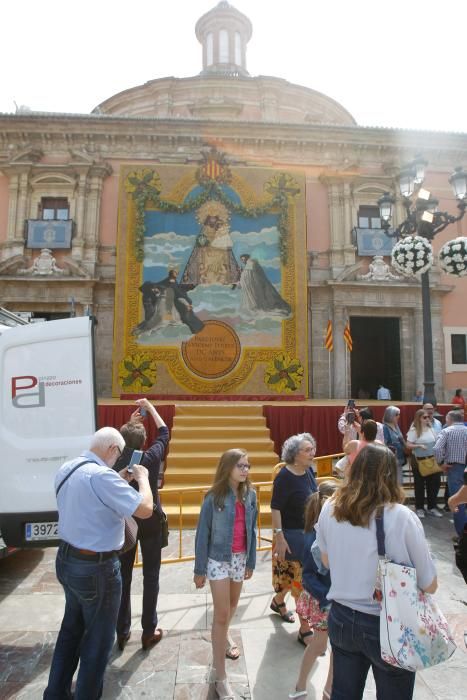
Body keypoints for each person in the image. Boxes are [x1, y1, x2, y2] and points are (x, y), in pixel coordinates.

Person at [315, 444, 437, 700]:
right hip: (385, 621)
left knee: (344, 694)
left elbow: (325, 561)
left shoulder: (330, 507)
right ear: (390, 475)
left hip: (342, 616)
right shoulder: (401, 517)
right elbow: (429, 584)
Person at [43, 427, 153, 700]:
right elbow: (145, 509)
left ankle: (55, 694)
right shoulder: (102, 476)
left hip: (67, 561)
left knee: (71, 630)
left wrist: (118, 478)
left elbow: (92, 496)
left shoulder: (69, 468)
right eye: (117, 455)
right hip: (97, 569)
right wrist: (143, 479)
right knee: (98, 642)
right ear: (113, 450)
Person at [193, 449, 257, 700]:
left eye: (247, 466)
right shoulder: (214, 498)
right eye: (240, 465)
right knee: (221, 614)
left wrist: (251, 561)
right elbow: (202, 535)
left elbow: (251, 531)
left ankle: (224, 636)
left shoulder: (250, 496)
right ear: (227, 467)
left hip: (240, 559)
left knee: (231, 607)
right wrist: (199, 570)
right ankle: (221, 677)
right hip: (218, 559)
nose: (245, 470)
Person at [115, 399, 169, 651]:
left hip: (125, 522)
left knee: (123, 576)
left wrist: (130, 423)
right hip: (150, 522)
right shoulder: (152, 456)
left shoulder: (115, 462)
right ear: (144, 440)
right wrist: (151, 408)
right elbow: (164, 431)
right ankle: (149, 630)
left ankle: (122, 630)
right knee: (151, 576)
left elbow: (120, 442)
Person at [289, 481, 337, 700]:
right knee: (319, 645)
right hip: (323, 599)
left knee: (338, 650)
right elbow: (308, 575)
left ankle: (329, 691)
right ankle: (300, 684)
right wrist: (327, 597)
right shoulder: (311, 536)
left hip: (338, 599)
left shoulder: (338, 532)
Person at [270, 433, 318, 642]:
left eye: (312, 449)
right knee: (301, 584)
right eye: (307, 450)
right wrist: (279, 537)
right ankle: (304, 629)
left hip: (308, 534)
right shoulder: (284, 477)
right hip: (290, 537)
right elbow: (275, 508)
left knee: (293, 579)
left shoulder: (307, 471)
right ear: (294, 454)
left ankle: (278, 601)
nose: (312, 454)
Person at [434, 410, 467, 537]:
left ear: (450, 419)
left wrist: (440, 462)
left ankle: (462, 535)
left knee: (457, 501)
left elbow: (437, 448)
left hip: (455, 468)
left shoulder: (447, 431)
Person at [407, 408, 443, 519]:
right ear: (419, 418)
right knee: (419, 485)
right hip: (419, 461)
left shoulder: (431, 428)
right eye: (424, 417)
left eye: (428, 417)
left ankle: (432, 507)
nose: (427, 419)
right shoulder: (414, 430)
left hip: (432, 460)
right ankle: (420, 508)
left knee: (434, 484)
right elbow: (408, 445)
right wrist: (418, 446)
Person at [382, 405, 411, 483]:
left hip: (399, 459)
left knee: (399, 482)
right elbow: (384, 443)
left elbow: (401, 440)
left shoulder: (396, 426)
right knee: (394, 482)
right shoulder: (385, 428)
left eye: (399, 414)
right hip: (391, 460)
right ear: (390, 415)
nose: (399, 416)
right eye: (396, 414)